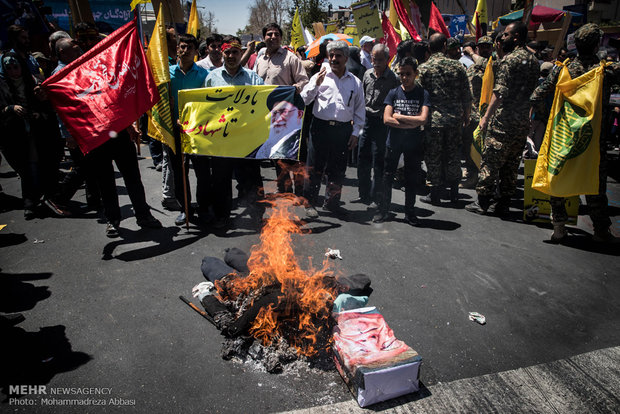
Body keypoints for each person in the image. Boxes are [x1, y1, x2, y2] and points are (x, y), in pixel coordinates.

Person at [530, 23, 620, 243]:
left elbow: (537, 94)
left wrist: (544, 116)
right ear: (597, 44)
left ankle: (559, 226)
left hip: (564, 133)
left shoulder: (563, 69)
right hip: (592, 137)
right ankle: (601, 231)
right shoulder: (606, 70)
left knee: (559, 175)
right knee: (594, 184)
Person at [466, 21, 539, 217]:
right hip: (521, 121)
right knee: (511, 164)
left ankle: (482, 202)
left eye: (506, 35)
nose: (502, 38)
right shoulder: (533, 61)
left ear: (515, 37)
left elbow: (499, 93)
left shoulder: (510, 60)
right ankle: (503, 204)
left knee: (490, 161)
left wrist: (486, 118)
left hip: (503, 121)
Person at [204, 36, 265, 228]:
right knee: (221, 181)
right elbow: (204, 107)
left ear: (241, 53)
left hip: (247, 140)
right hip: (222, 142)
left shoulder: (253, 78)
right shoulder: (211, 78)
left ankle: (257, 216)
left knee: (252, 180)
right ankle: (222, 216)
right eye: (227, 52)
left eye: (235, 52)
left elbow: (266, 105)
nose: (231, 56)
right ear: (222, 53)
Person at [300, 40, 365, 218]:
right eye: (331, 55)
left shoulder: (355, 82)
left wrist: (355, 133)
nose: (334, 59)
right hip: (320, 128)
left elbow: (359, 110)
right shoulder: (319, 76)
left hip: (342, 130)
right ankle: (310, 203)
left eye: (338, 56)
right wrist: (315, 84)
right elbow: (304, 100)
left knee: (337, 169)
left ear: (346, 58)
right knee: (314, 168)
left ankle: (332, 203)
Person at [0, 52, 66, 219]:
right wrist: (10, 109)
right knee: (26, 170)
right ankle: (30, 203)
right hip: (15, 135)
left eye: (16, 67)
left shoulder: (33, 82)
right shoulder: (2, 86)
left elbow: (49, 106)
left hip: (39, 133)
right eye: (9, 68)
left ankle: (49, 197)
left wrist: (38, 112)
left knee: (44, 165)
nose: (13, 71)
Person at [373, 57, 430, 225]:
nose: (404, 77)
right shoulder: (393, 93)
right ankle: (383, 210)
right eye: (401, 74)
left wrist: (399, 117)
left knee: (411, 178)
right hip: (394, 142)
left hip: (413, 144)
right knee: (387, 176)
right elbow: (386, 119)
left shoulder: (422, 94)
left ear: (416, 74)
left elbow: (423, 119)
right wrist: (410, 122)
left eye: (408, 74)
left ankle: (410, 213)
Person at [254, 22, 308, 195]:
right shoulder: (259, 60)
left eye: (276, 34)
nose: (273, 37)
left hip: (287, 114)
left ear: (281, 37)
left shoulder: (290, 58)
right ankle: (284, 188)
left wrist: (295, 87)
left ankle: (300, 191)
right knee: (276, 153)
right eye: (269, 34)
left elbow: (304, 81)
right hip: (266, 115)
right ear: (264, 38)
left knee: (293, 154)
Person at [418, 33, 472, 205]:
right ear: (444, 46)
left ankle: (434, 194)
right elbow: (467, 95)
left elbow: (419, 96)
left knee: (433, 156)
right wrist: (467, 116)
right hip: (455, 119)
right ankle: (454, 192)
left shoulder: (424, 68)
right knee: (453, 155)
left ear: (429, 48)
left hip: (433, 121)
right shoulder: (458, 67)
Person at [168, 33, 210, 226]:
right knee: (179, 172)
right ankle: (185, 209)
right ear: (177, 48)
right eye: (181, 47)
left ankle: (203, 207)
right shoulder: (167, 75)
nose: (184, 51)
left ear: (195, 52)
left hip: (198, 131)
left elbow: (209, 103)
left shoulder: (204, 76)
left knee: (202, 171)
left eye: (188, 48)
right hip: (174, 131)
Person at [354, 43, 399, 208]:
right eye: (374, 58)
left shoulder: (393, 78)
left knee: (379, 161)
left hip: (382, 123)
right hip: (366, 121)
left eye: (380, 59)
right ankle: (363, 194)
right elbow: (361, 97)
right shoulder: (366, 74)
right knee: (362, 158)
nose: (376, 62)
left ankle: (376, 197)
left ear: (387, 60)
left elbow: (395, 103)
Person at [462, 35, 494, 189]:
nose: (485, 49)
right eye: (482, 47)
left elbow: (486, 63)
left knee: (487, 150)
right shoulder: (472, 68)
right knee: (470, 147)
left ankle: (485, 179)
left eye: (488, 46)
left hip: (489, 115)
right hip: (473, 113)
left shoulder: (494, 64)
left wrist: (471, 53)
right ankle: (472, 174)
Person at [254, 86, 305, 159]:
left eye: (283, 112)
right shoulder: (260, 149)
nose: (278, 118)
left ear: (299, 114)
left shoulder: (298, 146)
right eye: (274, 113)